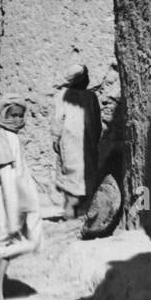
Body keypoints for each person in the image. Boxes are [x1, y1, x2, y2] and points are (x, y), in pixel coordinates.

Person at [0, 99, 43, 300]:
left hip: (7, 195)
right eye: (12, 115)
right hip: (3, 196)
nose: (17, 119)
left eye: (20, 115)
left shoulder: (7, 136)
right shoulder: (3, 137)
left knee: (0, 241)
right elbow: (3, 173)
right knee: (7, 239)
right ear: (3, 115)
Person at [51, 62, 101, 219]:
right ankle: (75, 213)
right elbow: (97, 122)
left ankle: (74, 213)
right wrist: (95, 138)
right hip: (82, 143)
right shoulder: (89, 97)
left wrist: (55, 138)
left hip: (72, 142)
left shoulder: (64, 95)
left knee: (72, 175)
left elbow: (57, 120)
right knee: (82, 175)